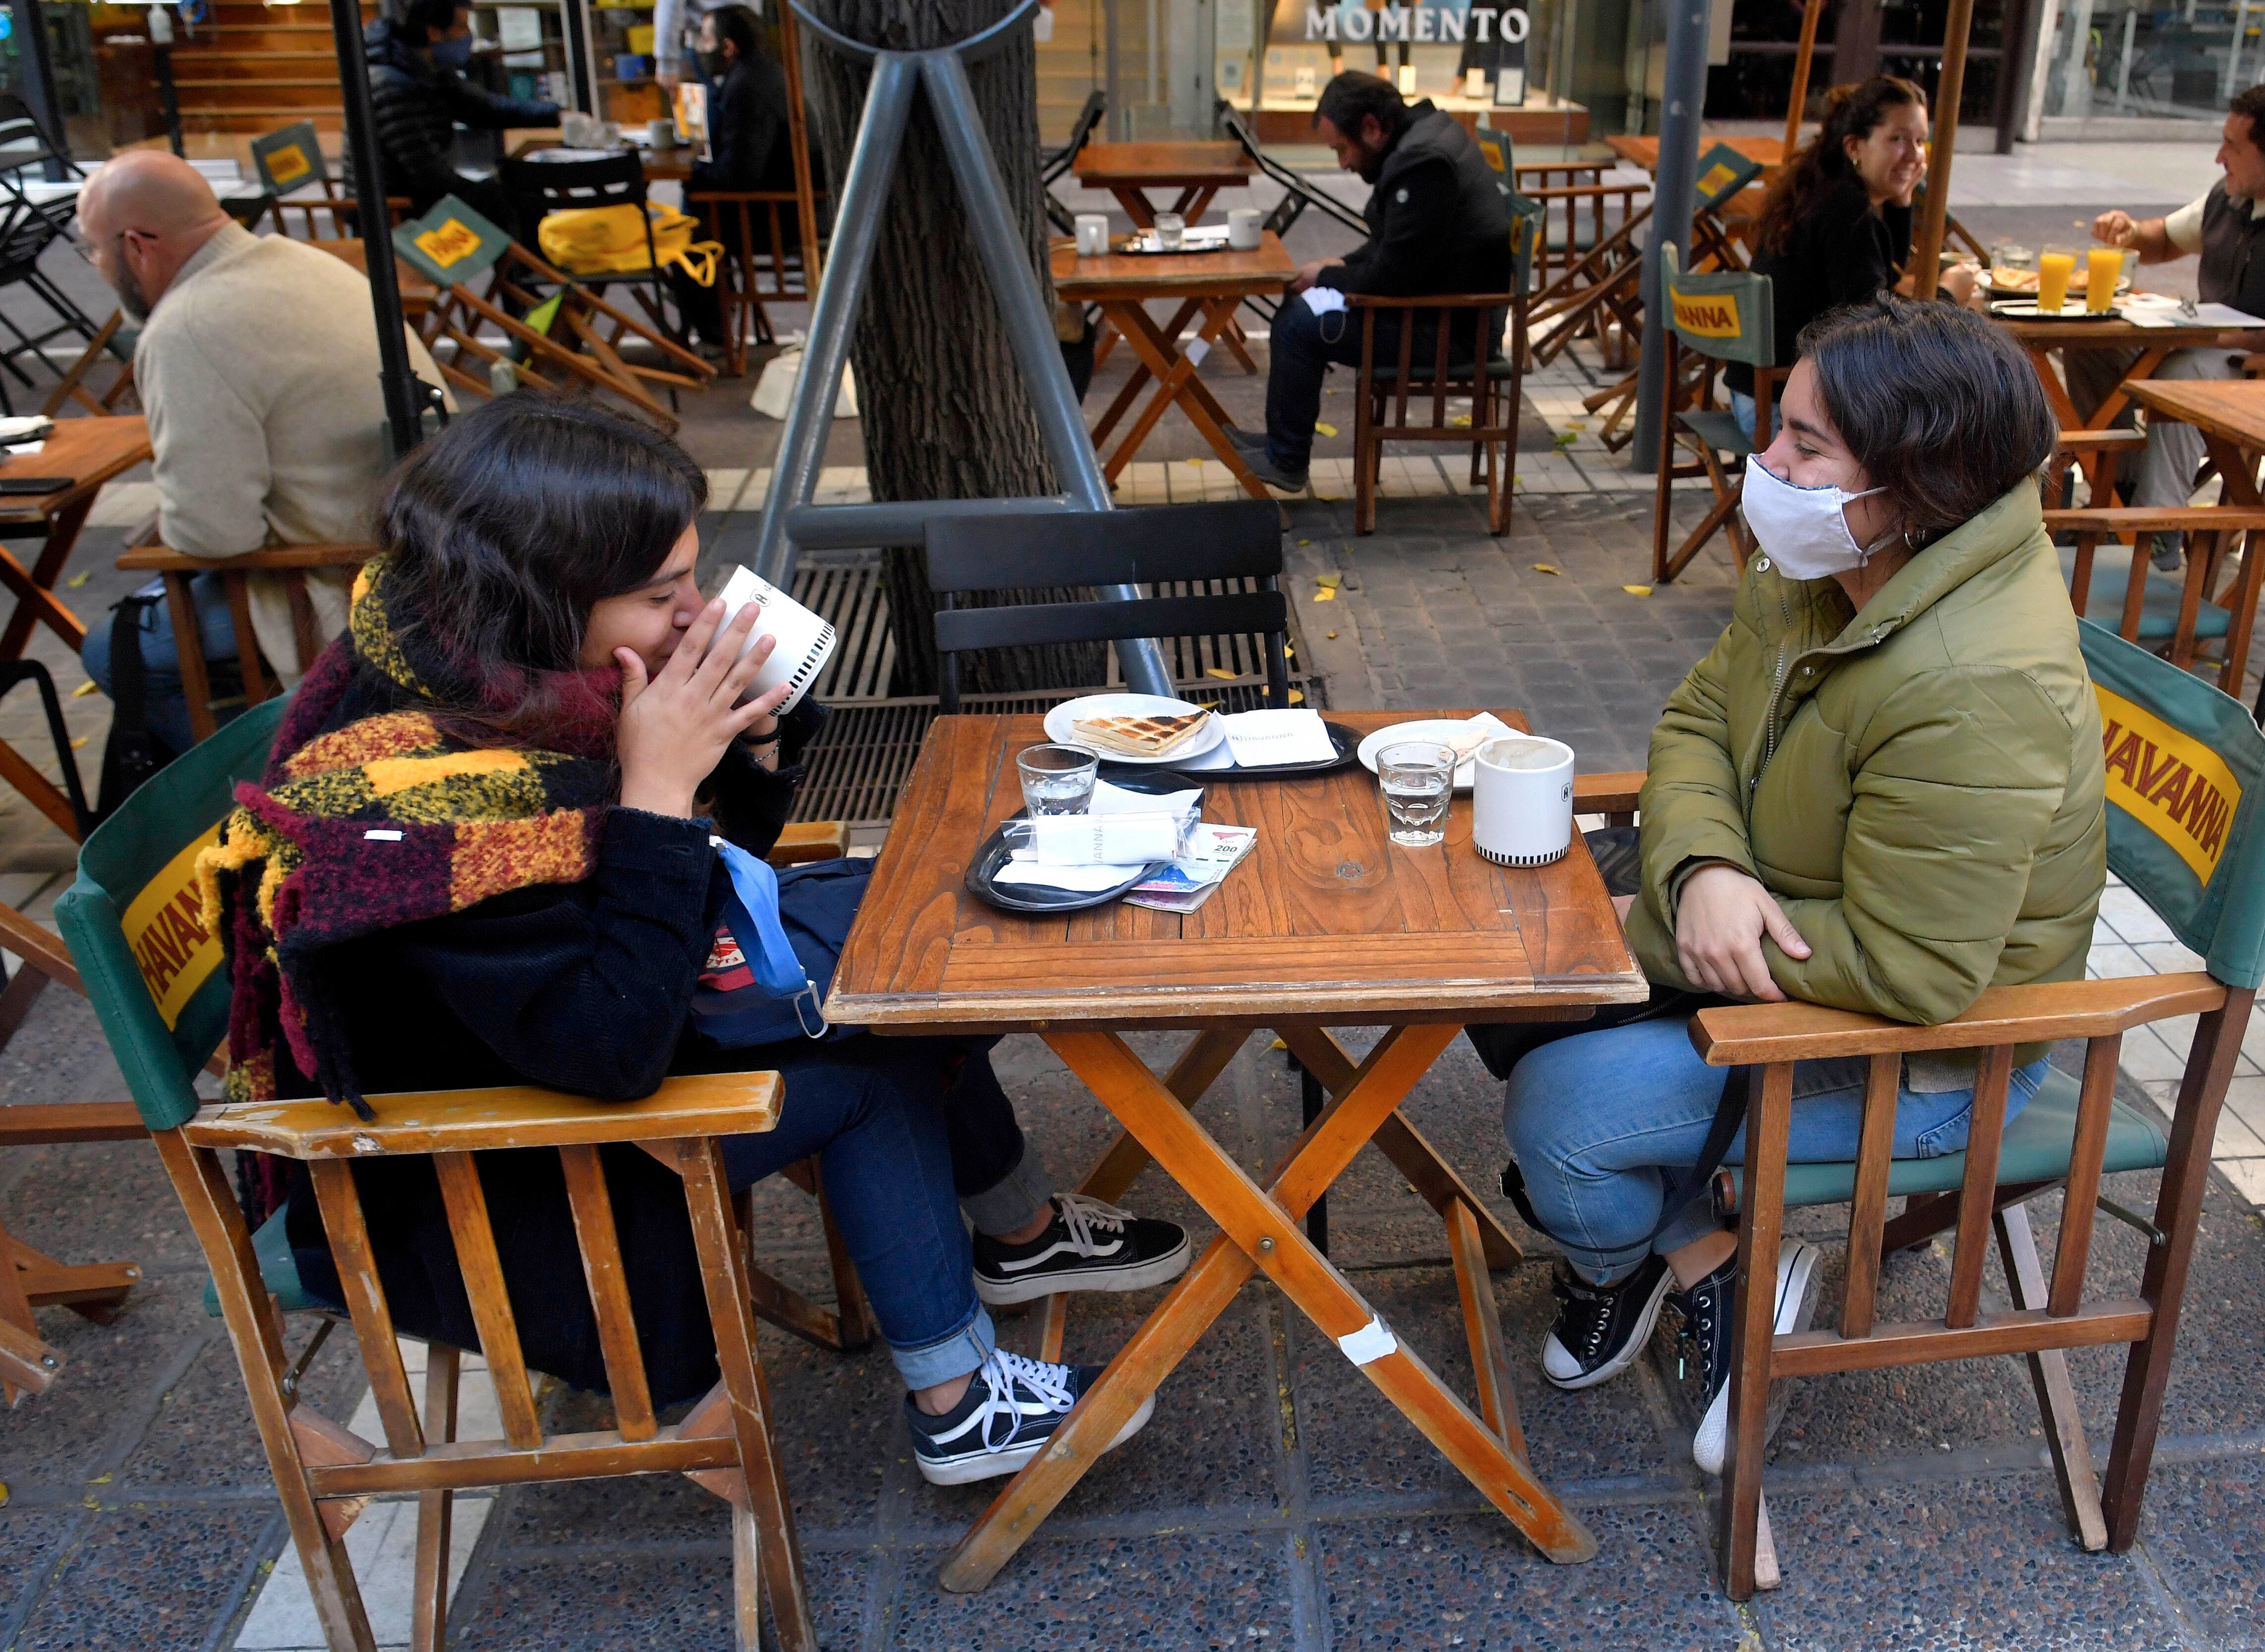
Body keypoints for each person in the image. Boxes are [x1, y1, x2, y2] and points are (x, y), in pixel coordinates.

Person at [201, 396, 1187, 1485]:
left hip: (560, 1049)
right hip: (500, 1171)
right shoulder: (415, 815)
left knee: (885, 963)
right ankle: (958, 1401)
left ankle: (1021, 1232)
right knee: (869, 1053)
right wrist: (661, 790)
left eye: (692, 581)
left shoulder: (503, 685)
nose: (695, 615)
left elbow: (682, 883)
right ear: (538, 596)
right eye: (664, 595)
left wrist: (739, 739)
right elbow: (612, 1047)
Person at [1498, 299, 2101, 1477]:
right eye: (1778, 430)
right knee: (1504, 942)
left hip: (1926, 1054)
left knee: (1554, 1122)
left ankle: (1654, 1255)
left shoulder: (1978, 679)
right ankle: (1710, 1261)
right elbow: (1694, 725)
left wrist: (1660, 925)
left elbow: (1918, 971)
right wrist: (1707, 870)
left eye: (1806, 445)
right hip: (1790, 930)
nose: (1766, 466)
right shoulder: (1835, 560)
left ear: (1916, 481)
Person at [71, 151, 452, 747]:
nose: (94, 266)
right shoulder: (305, 263)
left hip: (333, 590)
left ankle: (268, 791)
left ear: (138, 246)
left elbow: (214, 537)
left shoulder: (186, 327)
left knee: (112, 650)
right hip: (423, 565)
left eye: (92, 250)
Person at [2077, 81, 2265, 564]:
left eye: (2231, 146)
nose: (2219, 157)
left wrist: (2237, 340)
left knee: (2186, 374)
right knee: (2092, 347)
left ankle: (2155, 532)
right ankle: (2119, 492)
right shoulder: (2238, 190)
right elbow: (2162, 242)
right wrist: (2129, 230)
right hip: (2218, 351)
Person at [1225, 71, 1513, 494]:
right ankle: (1281, 444)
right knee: (1303, 307)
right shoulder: (1427, 136)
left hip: (1445, 331)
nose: (1343, 162)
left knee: (1300, 322)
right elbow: (1395, 245)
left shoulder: (1423, 165)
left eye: (1342, 149)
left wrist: (1327, 276)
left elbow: (1391, 276)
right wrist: (1338, 265)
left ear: (1372, 129)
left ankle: (1286, 459)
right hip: (1445, 311)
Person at [1727, 76, 1979, 440]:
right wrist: (1948, 296)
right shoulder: (1845, 209)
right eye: (1897, 139)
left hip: (1759, 396)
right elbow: (1880, 331)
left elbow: (1883, 276)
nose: (1914, 154)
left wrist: (1902, 200)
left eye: (1920, 141)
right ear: (1855, 147)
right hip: (1784, 413)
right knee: (1943, 427)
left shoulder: (1824, 192)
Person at [365, 0, 561, 228]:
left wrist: (556, 115)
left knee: (519, 182)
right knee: (505, 197)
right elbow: (428, 175)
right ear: (434, 32)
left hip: (420, 195)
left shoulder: (427, 69)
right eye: (462, 27)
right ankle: (524, 265)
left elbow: (485, 108)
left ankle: (531, 264)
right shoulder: (393, 85)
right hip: (396, 211)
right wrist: (486, 188)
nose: (469, 36)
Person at [669, 3, 794, 356]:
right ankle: (712, 324)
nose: (700, 49)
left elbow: (739, 174)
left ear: (728, 47)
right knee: (693, 211)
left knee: (687, 240)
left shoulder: (747, 87)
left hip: (773, 215)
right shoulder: (758, 74)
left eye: (705, 41)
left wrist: (698, 174)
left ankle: (713, 335)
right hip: (776, 204)